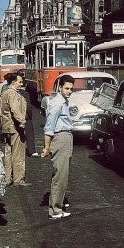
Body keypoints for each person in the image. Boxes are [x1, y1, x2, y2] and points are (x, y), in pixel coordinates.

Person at [43, 74, 74, 219]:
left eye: (71, 89)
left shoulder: (64, 101)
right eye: (66, 88)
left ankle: (58, 206)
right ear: (60, 87)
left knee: (63, 174)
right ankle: (55, 209)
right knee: (60, 175)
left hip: (66, 137)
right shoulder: (57, 103)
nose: (69, 91)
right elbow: (49, 127)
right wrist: (46, 147)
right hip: (60, 137)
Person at [0, 73, 32, 187]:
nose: (21, 84)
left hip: (6, 127)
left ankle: (8, 177)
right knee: (18, 154)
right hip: (15, 127)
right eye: (20, 82)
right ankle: (18, 179)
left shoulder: (4, 93)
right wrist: (22, 122)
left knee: (8, 153)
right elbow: (15, 110)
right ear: (13, 82)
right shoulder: (12, 94)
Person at [18, 76, 39, 157]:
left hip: (14, 116)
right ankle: (32, 150)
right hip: (25, 116)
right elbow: (28, 107)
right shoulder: (25, 94)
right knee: (29, 132)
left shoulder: (8, 92)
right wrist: (29, 115)